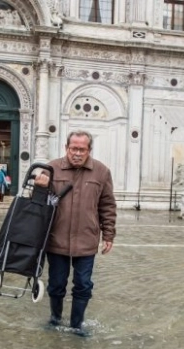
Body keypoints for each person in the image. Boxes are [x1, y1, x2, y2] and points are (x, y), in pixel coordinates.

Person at [35, 130, 117, 337]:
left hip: (86, 240)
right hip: (57, 239)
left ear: (89, 150)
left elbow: (107, 205)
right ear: (66, 148)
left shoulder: (102, 172)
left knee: (83, 285)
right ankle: (55, 319)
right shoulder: (51, 168)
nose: (77, 153)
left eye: (82, 149)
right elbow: (37, 204)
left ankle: (76, 325)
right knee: (56, 284)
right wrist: (40, 187)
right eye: (73, 148)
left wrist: (108, 235)